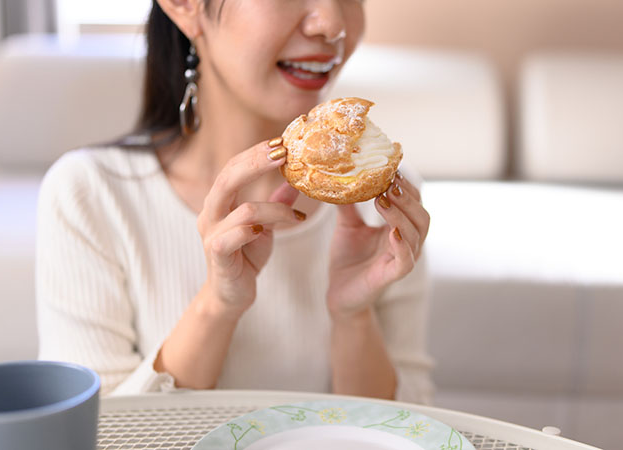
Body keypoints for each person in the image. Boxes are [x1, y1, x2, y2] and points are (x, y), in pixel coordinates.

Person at [36, 0, 433, 404]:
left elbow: (416, 429)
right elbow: (96, 434)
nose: (332, 25)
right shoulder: (89, 195)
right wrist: (217, 306)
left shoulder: (381, 203)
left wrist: (353, 318)